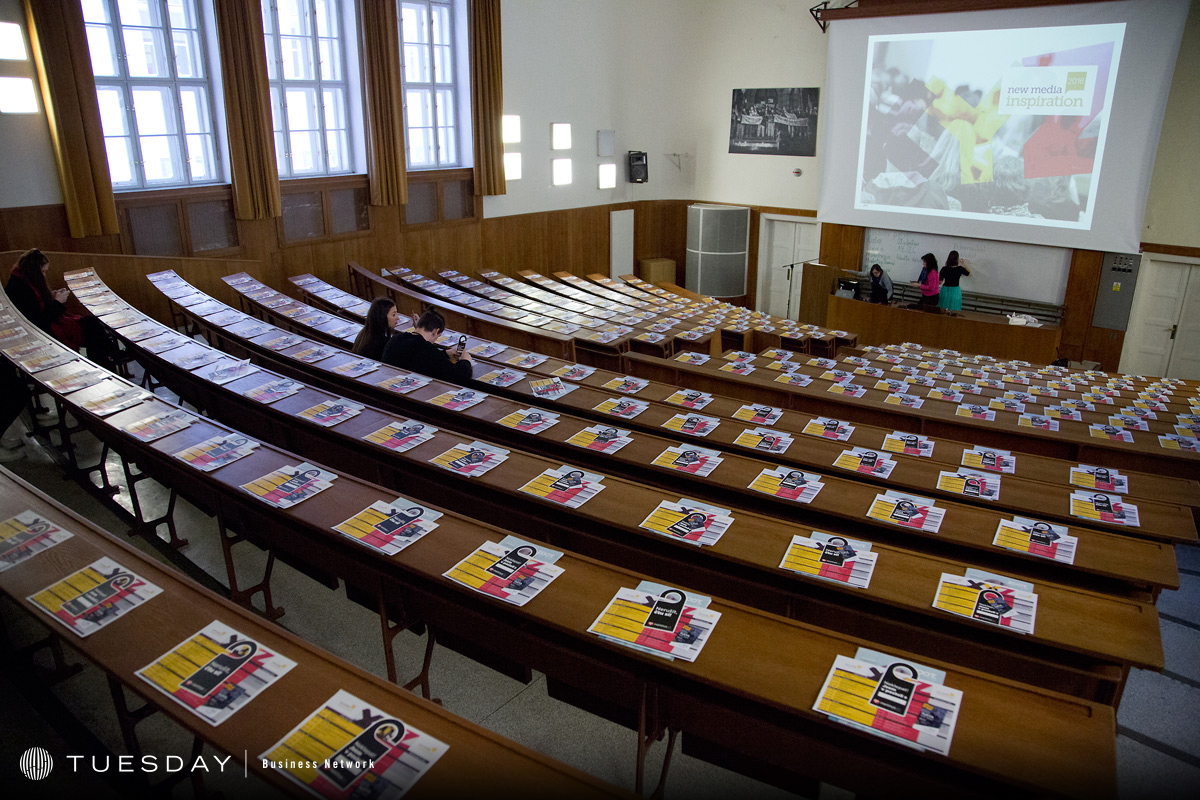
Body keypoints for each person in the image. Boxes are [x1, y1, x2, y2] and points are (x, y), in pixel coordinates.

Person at [6, 249, 116, 368]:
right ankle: (108, 361)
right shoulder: (22, 289)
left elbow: (39, 305)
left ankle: (108, 359)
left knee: (92, 324)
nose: (44, 275)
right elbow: (40, 320)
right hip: (44, 331)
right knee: (92, 328)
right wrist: (58, 302)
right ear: (34, 271)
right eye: (43, 271)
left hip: (48, 324)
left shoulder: (21, 281)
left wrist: (52, 297)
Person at [380, 306, 473, 383]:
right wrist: (466, 360)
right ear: (435, 331)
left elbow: (419, 358)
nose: (435, 340)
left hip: (387, 383)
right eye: (438, 336)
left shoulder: (396, 338)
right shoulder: (428, 350)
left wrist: (445, 353)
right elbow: (460, 377)